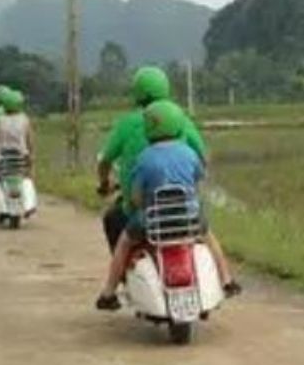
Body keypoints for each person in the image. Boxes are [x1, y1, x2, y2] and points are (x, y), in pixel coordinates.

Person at [95, 65, 241, 295]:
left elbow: (112, 171)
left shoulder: (135, 139)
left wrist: (106, 185)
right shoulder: (182, 122)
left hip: (149, 216)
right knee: (208, 235)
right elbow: (202, 162)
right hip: (186, 214)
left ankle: (112, 288)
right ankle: (226, 280)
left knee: (116, 223)